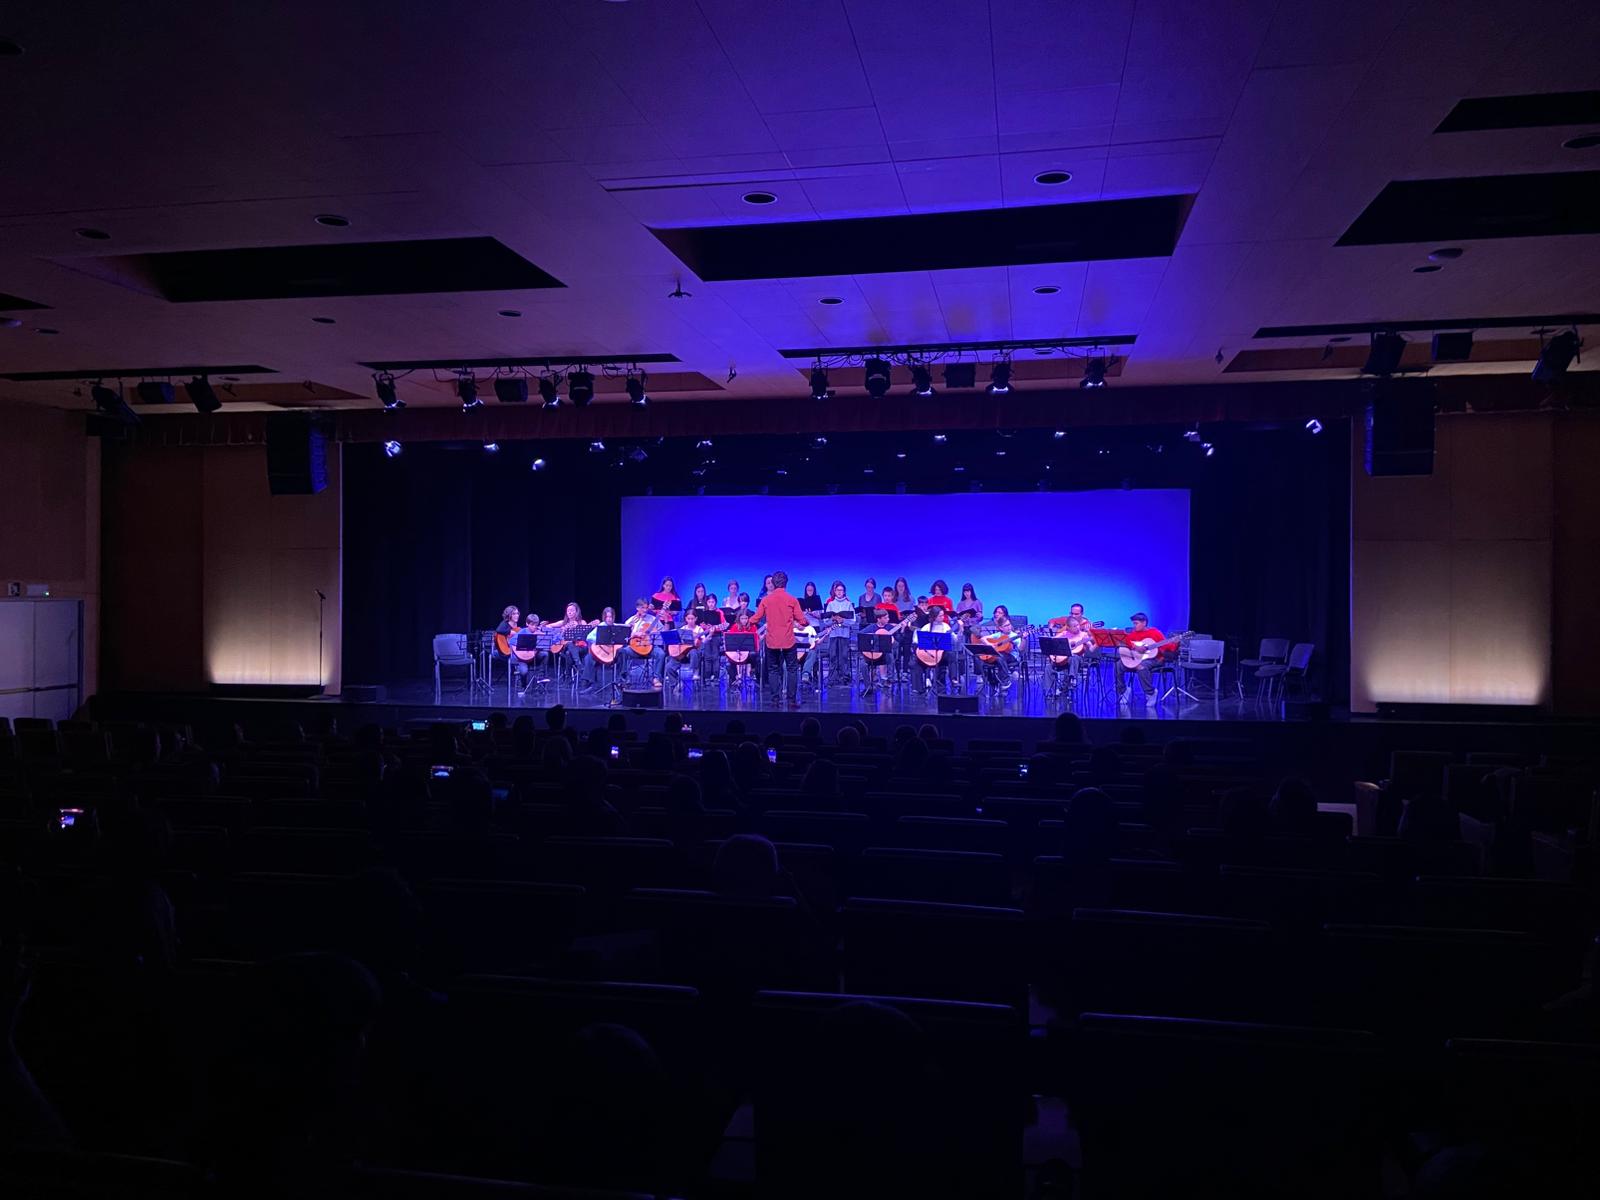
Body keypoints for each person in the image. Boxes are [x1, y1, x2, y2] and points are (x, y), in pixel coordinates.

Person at [753, 570, 809, 707]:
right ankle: (791, 700)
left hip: (772, 641)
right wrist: (803, 622)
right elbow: (802, 621)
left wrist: (746, 622)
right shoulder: (792, 600)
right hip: (788, 641)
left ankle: (775, 700)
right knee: (792, 669)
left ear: (773, 583)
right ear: (786, 583)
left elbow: (756, 618)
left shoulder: (766, 600)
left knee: (773, 669)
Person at [1115, 612, 1174, 699]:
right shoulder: (1133, 633)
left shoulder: (1155, 632)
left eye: (1136, 623)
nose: (1134, 626)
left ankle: (1150, 693)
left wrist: (1175, 643)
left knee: (1140, 666)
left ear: (1144, 623)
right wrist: (1134, 647)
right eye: (1133, 623)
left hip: (1155, 659)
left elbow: (1166, 646)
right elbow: (1126, 643)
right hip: (1137, 658)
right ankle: (1123, 691)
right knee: (1118, 665)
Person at [912, 601, 954, 698]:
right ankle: (918, 688)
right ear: (934, 617)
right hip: (927, 655)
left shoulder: (946, 627)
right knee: (914, 663)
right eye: (940, 616)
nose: (942, 618)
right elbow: (916, 641)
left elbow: (954, 640)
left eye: (943, 615)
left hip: (941, 656)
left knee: (951, 655)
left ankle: (953, 679)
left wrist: (959, 630)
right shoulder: (926, 627)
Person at [625, 597, 664, 689]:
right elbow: (625, 637)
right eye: (642, 608)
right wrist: (634, 633)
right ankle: (625, 679)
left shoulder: (653, 619)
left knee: (661, 653)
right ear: (637, 608)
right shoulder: (631, 620)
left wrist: (663, 623)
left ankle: (656, 678)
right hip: (635, 648)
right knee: (623, 652)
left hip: (650, 647)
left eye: (646, 608)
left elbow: (663, 632)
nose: (645, 610)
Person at [664, 608, 704, 691]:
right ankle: (676, 684)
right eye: (688, 619)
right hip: (681, 654)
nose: (690, 621)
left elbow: (704, 642)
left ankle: (694, 673)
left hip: (691, 656)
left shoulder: (699, 629)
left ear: (696, 619)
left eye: (692, 619)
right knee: (669, 667)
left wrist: (709, 635)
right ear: (685, 619)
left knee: (693, 651)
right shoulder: (682, 629)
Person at [494, 604, 532, 692]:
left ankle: (522, 681)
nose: (517, 615)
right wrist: (510, 632)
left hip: (515, 652)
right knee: (519, 661)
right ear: (509, 615)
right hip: (504, 651)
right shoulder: (504, 624)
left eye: (517, 613)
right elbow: (498, 630)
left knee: (524, 660)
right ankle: (520, 679)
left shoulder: (517, 627)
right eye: (514, 614)